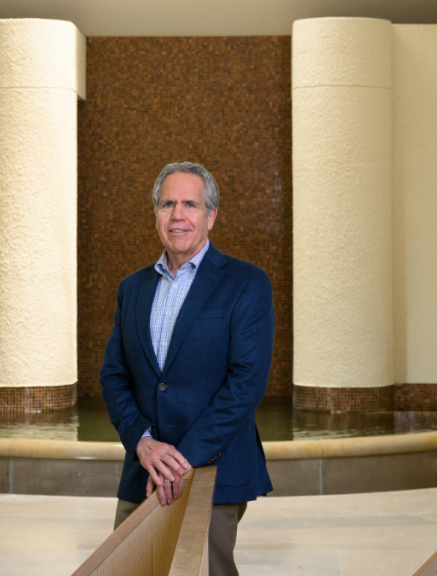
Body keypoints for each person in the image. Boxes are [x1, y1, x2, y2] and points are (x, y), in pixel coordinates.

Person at [99, 161, 275, 576]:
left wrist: (179, 460)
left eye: (190, 205)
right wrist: (143, 443)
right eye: (167, 204)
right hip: (142, 469)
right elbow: (113, 376)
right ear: (156, 215)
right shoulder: (133, 288)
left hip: (215, 470)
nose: (178, 215)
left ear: (210, 216)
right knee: (127, 569)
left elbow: (246, 384)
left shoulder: (247, 284)